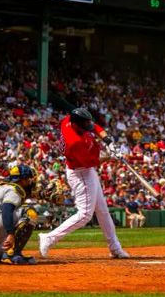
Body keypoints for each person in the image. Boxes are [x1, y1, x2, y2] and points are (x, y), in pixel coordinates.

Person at [38, 108, 129, 259]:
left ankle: (115, 247)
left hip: (86, 169)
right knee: (85, 214)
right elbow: (90, 162)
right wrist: (110, 157)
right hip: (80, 172)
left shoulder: (69, 120)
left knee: (103, 211)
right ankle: (49, 238)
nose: (88, 127)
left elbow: (95, 127)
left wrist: (108, 141)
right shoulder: (75, 143)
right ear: (75, 125)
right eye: (84, 125)